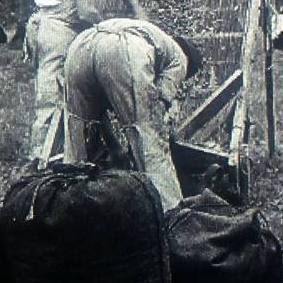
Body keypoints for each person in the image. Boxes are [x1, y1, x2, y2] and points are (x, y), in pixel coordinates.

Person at [25, 0, 145, 166]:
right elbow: (87, 10)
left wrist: (139, 13)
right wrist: (117, 33)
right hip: (56, 27)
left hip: (75, 29)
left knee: (86, 90)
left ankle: (93, 154)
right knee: (53, 100)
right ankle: (39, 166)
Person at [63, 17, 202, 211]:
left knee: (80, 136)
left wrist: (116, 148)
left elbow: (98, 114)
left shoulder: (154, 37)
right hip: (121, 48)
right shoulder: (180, 57)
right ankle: (171, 215)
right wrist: (160, 138)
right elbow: (158, 106)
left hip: (81, 45)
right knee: (150, 140)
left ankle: (69, 210)